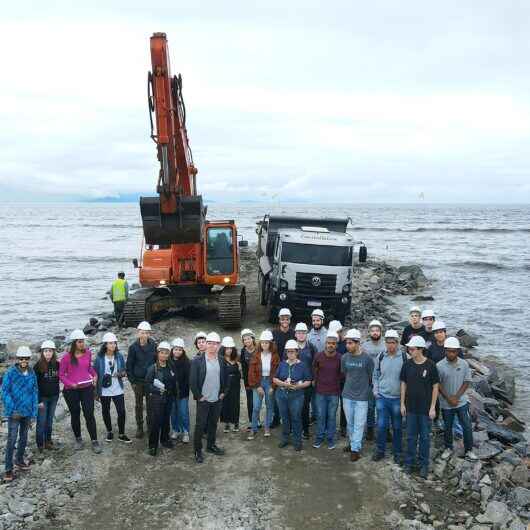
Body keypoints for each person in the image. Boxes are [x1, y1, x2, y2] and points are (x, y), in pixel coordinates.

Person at [400, 335, 439, 478]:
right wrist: (402, 404)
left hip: (425, 409)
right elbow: (403, 384)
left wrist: (433, 407)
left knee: (424, 438)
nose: (410, 350)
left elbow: (435, 387)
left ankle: (424, 465)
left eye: (412, 348)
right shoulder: (407, 365)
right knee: (410, 437)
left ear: (420, 349)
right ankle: (409, 463)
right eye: (409, 348)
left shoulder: (431, 366)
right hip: (410, 408)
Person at [59, 330, 101, 453]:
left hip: (87, 388)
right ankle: (78, 439)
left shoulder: (88, 353)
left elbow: (89, 368)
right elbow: (61, 375)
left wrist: (95, 376)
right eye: (79, 342)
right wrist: (71, 384)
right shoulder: (66, 358)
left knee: (89, 414)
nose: (82, 344)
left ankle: (94, 441)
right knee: (75, 414)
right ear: (74, 343)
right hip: (71, 391)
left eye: (83, 341)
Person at [190, 332, 228, 464]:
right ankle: (197, 450)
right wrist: (199, 396)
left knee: (213, 423)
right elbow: (193, 382)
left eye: (215, 344)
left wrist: (224, 392)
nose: (212, 346)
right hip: (204, 400)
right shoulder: (197, 361)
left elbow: (225, 378)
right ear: (205, 344)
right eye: (210, 343)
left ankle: (211, 445)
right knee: (200, 426)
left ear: (219, 345)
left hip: (217, 399)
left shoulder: (222, 360)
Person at [437, 337, 477, 461]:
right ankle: (448, 448)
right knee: (448, 426)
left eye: (454, 351)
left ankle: (469, 450)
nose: (451, 353)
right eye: (449, 351)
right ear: (445, 351)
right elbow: (438, 384)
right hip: (446, 403)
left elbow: (466, 381)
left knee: (466, 425)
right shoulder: (439, 366)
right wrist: (449, 398)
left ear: (458, 351)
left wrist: (456, 397)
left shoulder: (464, 364)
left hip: (461, 402)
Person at [2, 346, 38, 482]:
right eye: (21, 358)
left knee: (24, 437)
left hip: (27, 412)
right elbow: (4, 392)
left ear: (29, 359)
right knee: (11, 440)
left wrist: (34, 413)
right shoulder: (10, 373)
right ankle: (8, 469)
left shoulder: (32, 373)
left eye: (26, 358)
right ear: (17, 359)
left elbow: (35, 392)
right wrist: (13, 410)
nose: (24, 360)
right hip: (14, 413)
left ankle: (19, 460)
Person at [372, 330, 407, 463]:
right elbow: (375, 374)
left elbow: (407, 378)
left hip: (398, 398)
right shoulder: (381, 356)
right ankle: (380, 450)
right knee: (381, 426)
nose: (390, 345)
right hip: (382, 397)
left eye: (393, 342)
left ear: (397, 343)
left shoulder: (404, 357)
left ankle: (397, 452)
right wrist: (376, 390)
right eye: (388, 342)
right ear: (385, 343)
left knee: (397, 426)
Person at [341, 329, 374, 462]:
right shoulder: (344, 357)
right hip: (347, 395)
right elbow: (344, 373)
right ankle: (352, 443)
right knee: (350, 423)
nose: (347, 345)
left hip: (362, 397)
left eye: (350, 343)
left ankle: (355, 449)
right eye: (346, 343)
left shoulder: (367, 359)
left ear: (357, 343)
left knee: (359, 424)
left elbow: (371, 376)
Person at [273, 340, 312, 451]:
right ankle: (285, 439)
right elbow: (275, 379)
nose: (290, 354)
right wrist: (284, 384)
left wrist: (297, 387)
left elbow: (308, 381)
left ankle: (297, 441)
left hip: (296, 395)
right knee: (284, 418)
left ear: (297, 352)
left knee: (296, 418)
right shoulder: (282, 364)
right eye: (288, 351)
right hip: (281, 395)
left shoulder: (302, 365)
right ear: (286, 352)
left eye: (293, 351)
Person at [93, 332, 131, 444]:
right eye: (110, 343)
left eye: (114, 343)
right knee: (106, 411)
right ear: (105, 344)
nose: (113, 345)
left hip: (117, 388)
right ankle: (109, 431)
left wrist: (121, 374)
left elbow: (124, 370)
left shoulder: (119, 356)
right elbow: (94, 374)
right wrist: (95, 391)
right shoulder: (99, 358)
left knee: (122, 411)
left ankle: (122, 433)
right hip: (104, 389)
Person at [145, 342, 178, 456]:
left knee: (165, 420)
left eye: (166, 353)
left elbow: (174, 381)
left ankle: (164, 440)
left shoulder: (171, 366)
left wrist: (174, 394)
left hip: (168, 398)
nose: (164, 355)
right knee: (155, 422)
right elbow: (148, 385)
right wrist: (158, 390)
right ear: (158, 354)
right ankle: (152, 445)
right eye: (162, 353)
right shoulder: (152, 369)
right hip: (157, 399)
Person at [126, 321, 156, 439]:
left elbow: (156, 361)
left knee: (150, 405)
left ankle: (149, 426)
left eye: (147, 333)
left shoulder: (153, 345)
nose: (144, 335)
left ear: (149, 334)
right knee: (138, 405)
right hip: (137, 381)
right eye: (142, 333)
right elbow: (129, 365)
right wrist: (132, 381)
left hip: (149, 381)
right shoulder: (133, 348)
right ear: (138, 333)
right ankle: (139, 427)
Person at [247, 330, 280, 440]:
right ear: (260, 343)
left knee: (270, 406)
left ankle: (267, 427)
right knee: (256, 406)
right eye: (262, 342)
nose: (264, 345)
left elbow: (277, 372)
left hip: (269, 382)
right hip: (258, 382)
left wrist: (273, 386)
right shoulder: (256, 355)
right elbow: (251, 372)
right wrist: (257, 386)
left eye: (267, 342)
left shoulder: (275, 356)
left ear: (271, 343)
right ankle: (253, 428)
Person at [312, 331, 342, 449]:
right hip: (320, 392)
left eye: (333, 343)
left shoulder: (340, 358)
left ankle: (330, 438)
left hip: (334, 392)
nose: (330, 345)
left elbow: (342, 373)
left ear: (336, 345)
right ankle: (319, 437)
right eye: (328, 343)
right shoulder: (318, 356)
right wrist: (315, 381)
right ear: (325, 344)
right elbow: (314, 369)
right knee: (320, 415)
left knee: (332, 416)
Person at [361, 319, 386, 441]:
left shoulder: (386, 345)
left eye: (377, 330)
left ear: (381, 332)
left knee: (383, 407)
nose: (375, 333)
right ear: (369, 332)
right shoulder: (364, 346)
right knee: (370, 407)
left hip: (383, 381)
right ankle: (370, 429)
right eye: (373, 331)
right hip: (369, 381)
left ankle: (385, 430)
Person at [34, 340, 60, 452]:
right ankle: (40, 444)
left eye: (50, 351)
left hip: (54, 397)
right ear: (42, 352)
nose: (48, 353)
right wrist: (38, 400)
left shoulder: (57, 364)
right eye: (45, 351)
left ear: (53, 352)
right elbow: (35, 385)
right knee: (41, 422)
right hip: (43, 398)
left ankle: (48, 442)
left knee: (49, 422)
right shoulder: (37, 366)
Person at [272, 308, 295, 427]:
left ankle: (289, 419)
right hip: (278, 367)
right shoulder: (274, 333)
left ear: (290, 319)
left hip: (291, 367)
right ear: (279, 319)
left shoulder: (293, 333)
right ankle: (276, 418)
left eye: (287, 318)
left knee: (290, 393)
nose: (285, 320)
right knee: (277, 394)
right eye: (283, 318)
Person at [294, 322, 317, 439]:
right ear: (295, 334)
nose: (301, 335)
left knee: (305, 406)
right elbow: (285, 363)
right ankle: (296, 428)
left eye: (303, 333)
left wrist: (313, 379)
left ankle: (306, 429)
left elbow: (315, 364)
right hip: (294, 382)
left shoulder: (311, 347)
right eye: (299, 333)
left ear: (307, 334)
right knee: (294, 406)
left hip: (307, 382)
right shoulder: (291, 347)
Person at [169, 338, 191, 443]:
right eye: (175, 349)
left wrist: (183, 390)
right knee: (173, 412)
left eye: (180, 350)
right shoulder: (168, 361)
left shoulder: (187, 363)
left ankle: (186, 432)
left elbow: (189, 379)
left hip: (183, 393)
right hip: (171, 393)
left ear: (183, 351)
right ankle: (176, 430)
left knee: (183, 412)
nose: (177, 351)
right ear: (172, 349)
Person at [220, 336, 241, 433]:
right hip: (224, 384)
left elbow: (241, 371)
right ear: (223, 349)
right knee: (225, 403)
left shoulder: (236, 359)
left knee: (235, 402)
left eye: (230, 348)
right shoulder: (220, 359)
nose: (228, 350)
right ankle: (227, 423)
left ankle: (235, 422)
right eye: (227, 348)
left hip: (235, 384)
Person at [239, 329, 257, 431]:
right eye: (244, 340)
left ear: (252, 339)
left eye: (248, 339)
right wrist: (246, 382)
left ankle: (259, 420)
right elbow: (244, 367)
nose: (247, 341)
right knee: (250, 401)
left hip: (258, 380)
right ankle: (252, 421)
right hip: (248, 381)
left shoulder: (258, 349)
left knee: (258, 402)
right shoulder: (243, 351)